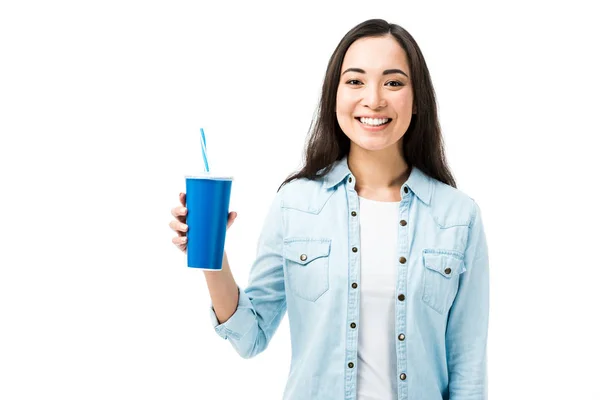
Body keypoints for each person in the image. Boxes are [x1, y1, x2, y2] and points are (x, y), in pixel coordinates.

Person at [169, 18, 489, 400]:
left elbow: (468, 373)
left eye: (393, 82)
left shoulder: (458, 217)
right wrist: (212, 253)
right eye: (355, 81)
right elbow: (249, 336)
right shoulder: (296, 204)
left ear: (417, 98)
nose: (374, 99)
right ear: (334, 96)